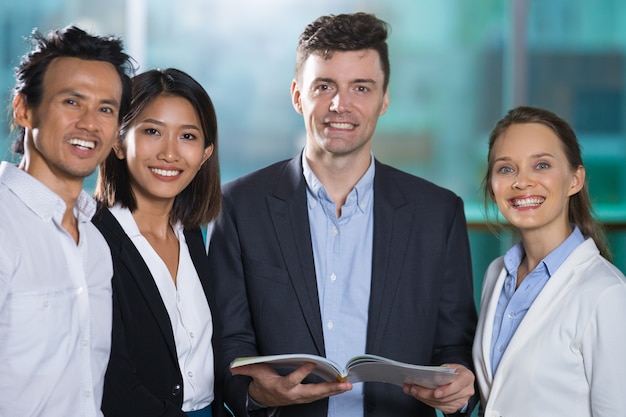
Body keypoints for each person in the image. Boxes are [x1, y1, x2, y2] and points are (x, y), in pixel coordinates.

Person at [207, 12, 478, 417]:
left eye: (361, 88)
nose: (340, 105)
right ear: (298, 95)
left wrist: (458, 386)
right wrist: (259, 394)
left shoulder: (438, 215)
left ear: (384, 99)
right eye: (324, 86)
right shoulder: (239, 207)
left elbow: (454, 347)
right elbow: (228, 345)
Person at [0, 26, 133, 417]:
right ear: (24, 109)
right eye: (72, 102)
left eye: (106, 109)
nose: (90, 124)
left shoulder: (94, 242)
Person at [472, 105, 626, 416]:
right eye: (505, 169)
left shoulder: (607, 294)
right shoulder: (496, 275)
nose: (521, 182)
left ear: (575, 180)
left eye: (541, 165)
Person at [92, 68, 226, 417]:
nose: (170, 153)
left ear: (206, 153)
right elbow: (112, 382)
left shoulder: (194, 235)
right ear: (119, 142)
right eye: (152, 131)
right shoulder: (93, 240)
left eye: (188, 136)